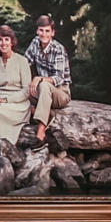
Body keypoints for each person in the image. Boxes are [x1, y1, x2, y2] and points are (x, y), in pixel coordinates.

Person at [23, 12, 73, 145]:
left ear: (52, 33)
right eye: (41, 30)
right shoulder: (35, 43)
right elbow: (24, 63)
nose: (44, 34)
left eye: (47, 31)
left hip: (60, 92)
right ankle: (44, 114)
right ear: (37, 31)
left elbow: (59, 78)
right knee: (21, 91)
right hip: (42, 92)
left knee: (44, 86)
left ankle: (41, 131)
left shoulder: (58, 49)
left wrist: (39, 78)